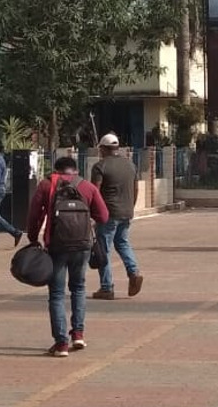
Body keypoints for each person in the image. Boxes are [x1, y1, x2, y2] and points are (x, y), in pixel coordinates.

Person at [27, 155, 109, 357]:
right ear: (76, 171)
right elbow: (104, 216)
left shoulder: (47, 185)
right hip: (82, 247)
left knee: (56, 293)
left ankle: (61, 343)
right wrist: (88, 222)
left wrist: (32, 237)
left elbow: (34, 214)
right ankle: (78, 334)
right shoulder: (87, 187)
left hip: (57, 246)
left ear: (56, 171)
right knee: (79, 289)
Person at [90, 133, 143, 301]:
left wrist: (93, 214)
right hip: (126, 212)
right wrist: (130, 207)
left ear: (104, 149)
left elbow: (94, 192)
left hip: (108, 213)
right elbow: (136, 189)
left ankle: (106, 287)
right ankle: (133, 272)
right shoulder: (130, 165)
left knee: (103, 249)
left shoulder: (100, 167)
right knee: (122, 243)